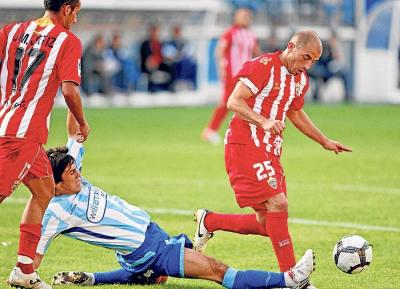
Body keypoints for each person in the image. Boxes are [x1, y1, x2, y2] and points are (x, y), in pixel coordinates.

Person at [33, 113, 315, 289]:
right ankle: (290, 280)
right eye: (72, 173)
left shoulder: (69, 174)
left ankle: (95, 278)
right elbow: (31, 258)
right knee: (217, 271)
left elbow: (74, 135)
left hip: (148, 240)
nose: (79, 175)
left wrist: (71, 94)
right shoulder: (54, 214)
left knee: (158, 277)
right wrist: (24, 273)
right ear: (55, 184)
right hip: (149, 251)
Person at [194, 30, 352, 289]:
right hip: (244, 144)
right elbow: (234, 101)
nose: (307, 65)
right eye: (305, 58)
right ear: (291, 47)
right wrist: (263, 120)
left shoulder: (300, 80)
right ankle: (293, 280)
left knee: (267, 223)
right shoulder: (263, 66)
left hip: (270, 150)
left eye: (313, 61)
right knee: (278, 204)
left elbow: (295, 112)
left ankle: (209, 221)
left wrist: (324, 140)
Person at [0, 0, 90, 288]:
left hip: (16, 129)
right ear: (66, 8)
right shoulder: (68, 41)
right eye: (76, 12)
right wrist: (82, 121)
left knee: (44, 191)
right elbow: (69, 89)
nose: (76, 19)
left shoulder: (12, 31)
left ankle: (24, 271)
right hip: (20, 137)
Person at [201, 7, 260, 144]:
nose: (245, 18)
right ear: (235, 17)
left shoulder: (251, 35)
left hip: (247, 75)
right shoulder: (230, 33)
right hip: (232, 74)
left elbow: (257, 53)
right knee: (227, 102)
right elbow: (220, 51)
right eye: (243, 15)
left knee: (249, 103)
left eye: (247, 16)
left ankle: (243, 133)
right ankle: (210, 130)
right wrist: (222, 68)